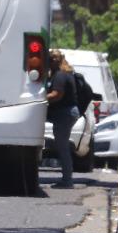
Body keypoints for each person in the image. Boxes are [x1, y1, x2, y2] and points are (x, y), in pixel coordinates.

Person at [45, 51, 79, 190]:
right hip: (67, 113)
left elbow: (57, 95)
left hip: (64, 114)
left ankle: (67, 180)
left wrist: (39, 98)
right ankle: (67, 179)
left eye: (49, 60)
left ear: (54, 61)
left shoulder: (60, 75)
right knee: (62, 145)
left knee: (63, 147)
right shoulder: (65, 73)